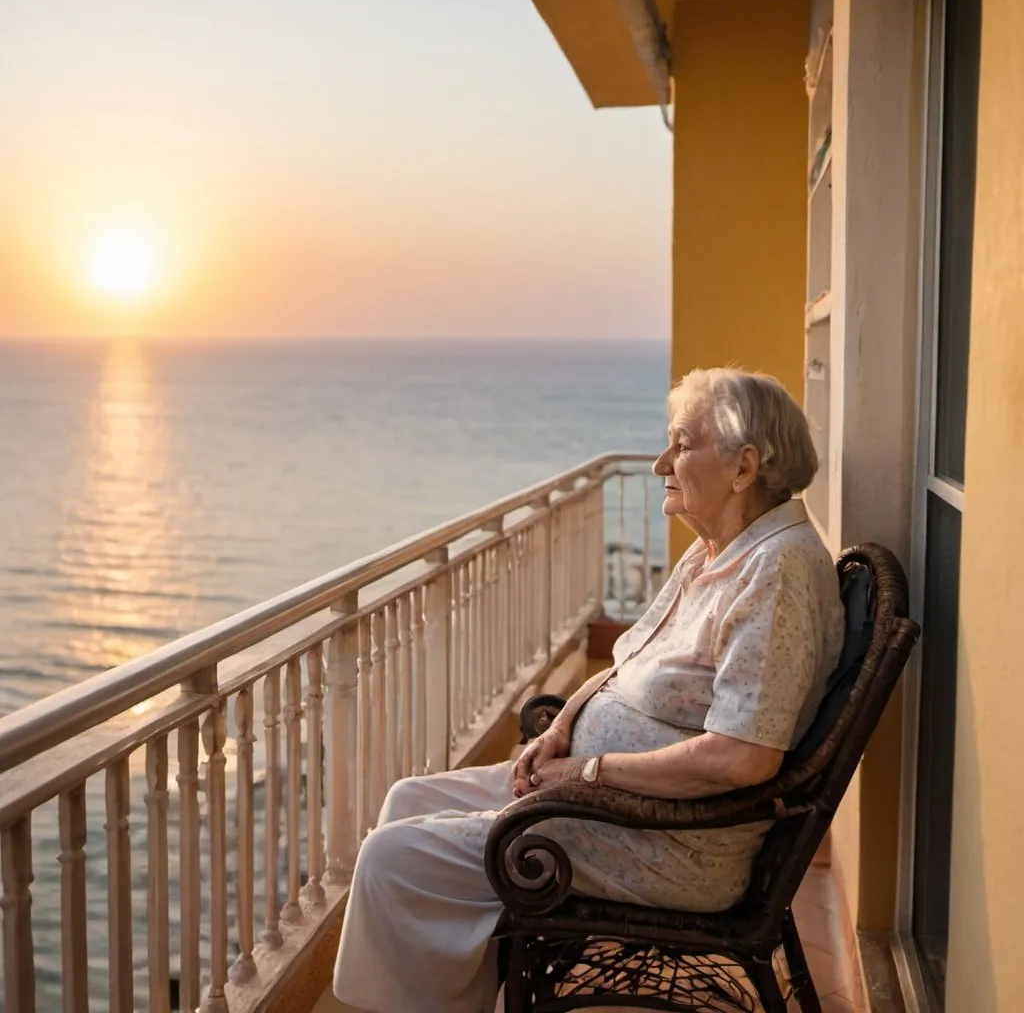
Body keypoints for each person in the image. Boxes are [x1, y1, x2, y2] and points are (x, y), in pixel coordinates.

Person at [333, 368, 845, 1013]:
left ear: (743, 468)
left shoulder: (777, 573)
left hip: (670, 843)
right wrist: (558, 731)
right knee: (407, 799)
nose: (662, 462)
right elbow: (626, 662)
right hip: (604, 801)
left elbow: (744, 758)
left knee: (391, 857)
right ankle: (453, 994)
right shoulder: (715, 552)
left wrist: (586, 770)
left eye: (682, 446)